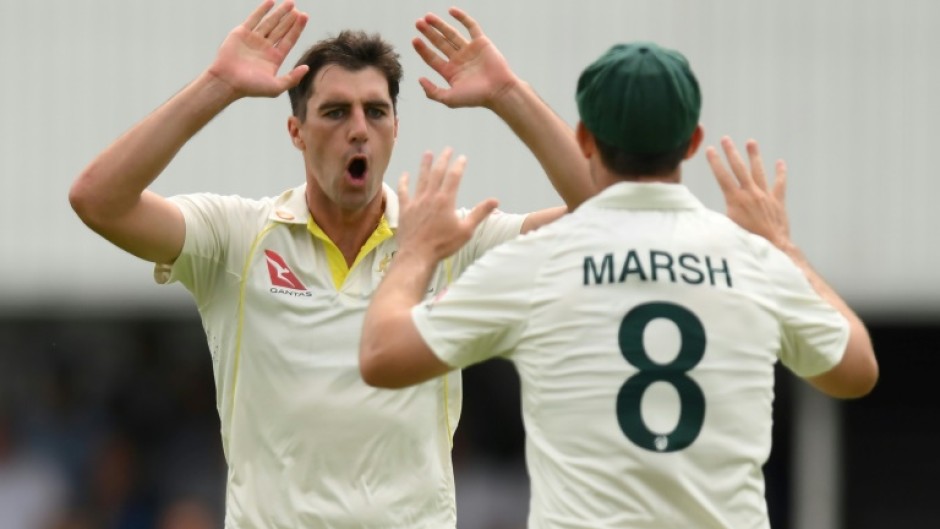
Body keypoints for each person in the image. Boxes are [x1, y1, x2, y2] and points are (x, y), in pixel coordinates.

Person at [68, 1, 594, 527]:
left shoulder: (446, 239)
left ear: (395, 129)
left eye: (376, 110)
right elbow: (97, 199)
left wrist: (508, 95)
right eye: (336, 111)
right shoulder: (237, 235)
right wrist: (217, 84)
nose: (359, 128)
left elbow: (603, 215)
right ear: (296, 131)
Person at [359, 42, 879, 528]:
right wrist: (783, 247)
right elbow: (856, 371)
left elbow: (383, 355)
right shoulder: (754, 260)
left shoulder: (539, 262)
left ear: (584, 138)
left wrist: (416, 252)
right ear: (693, 142)